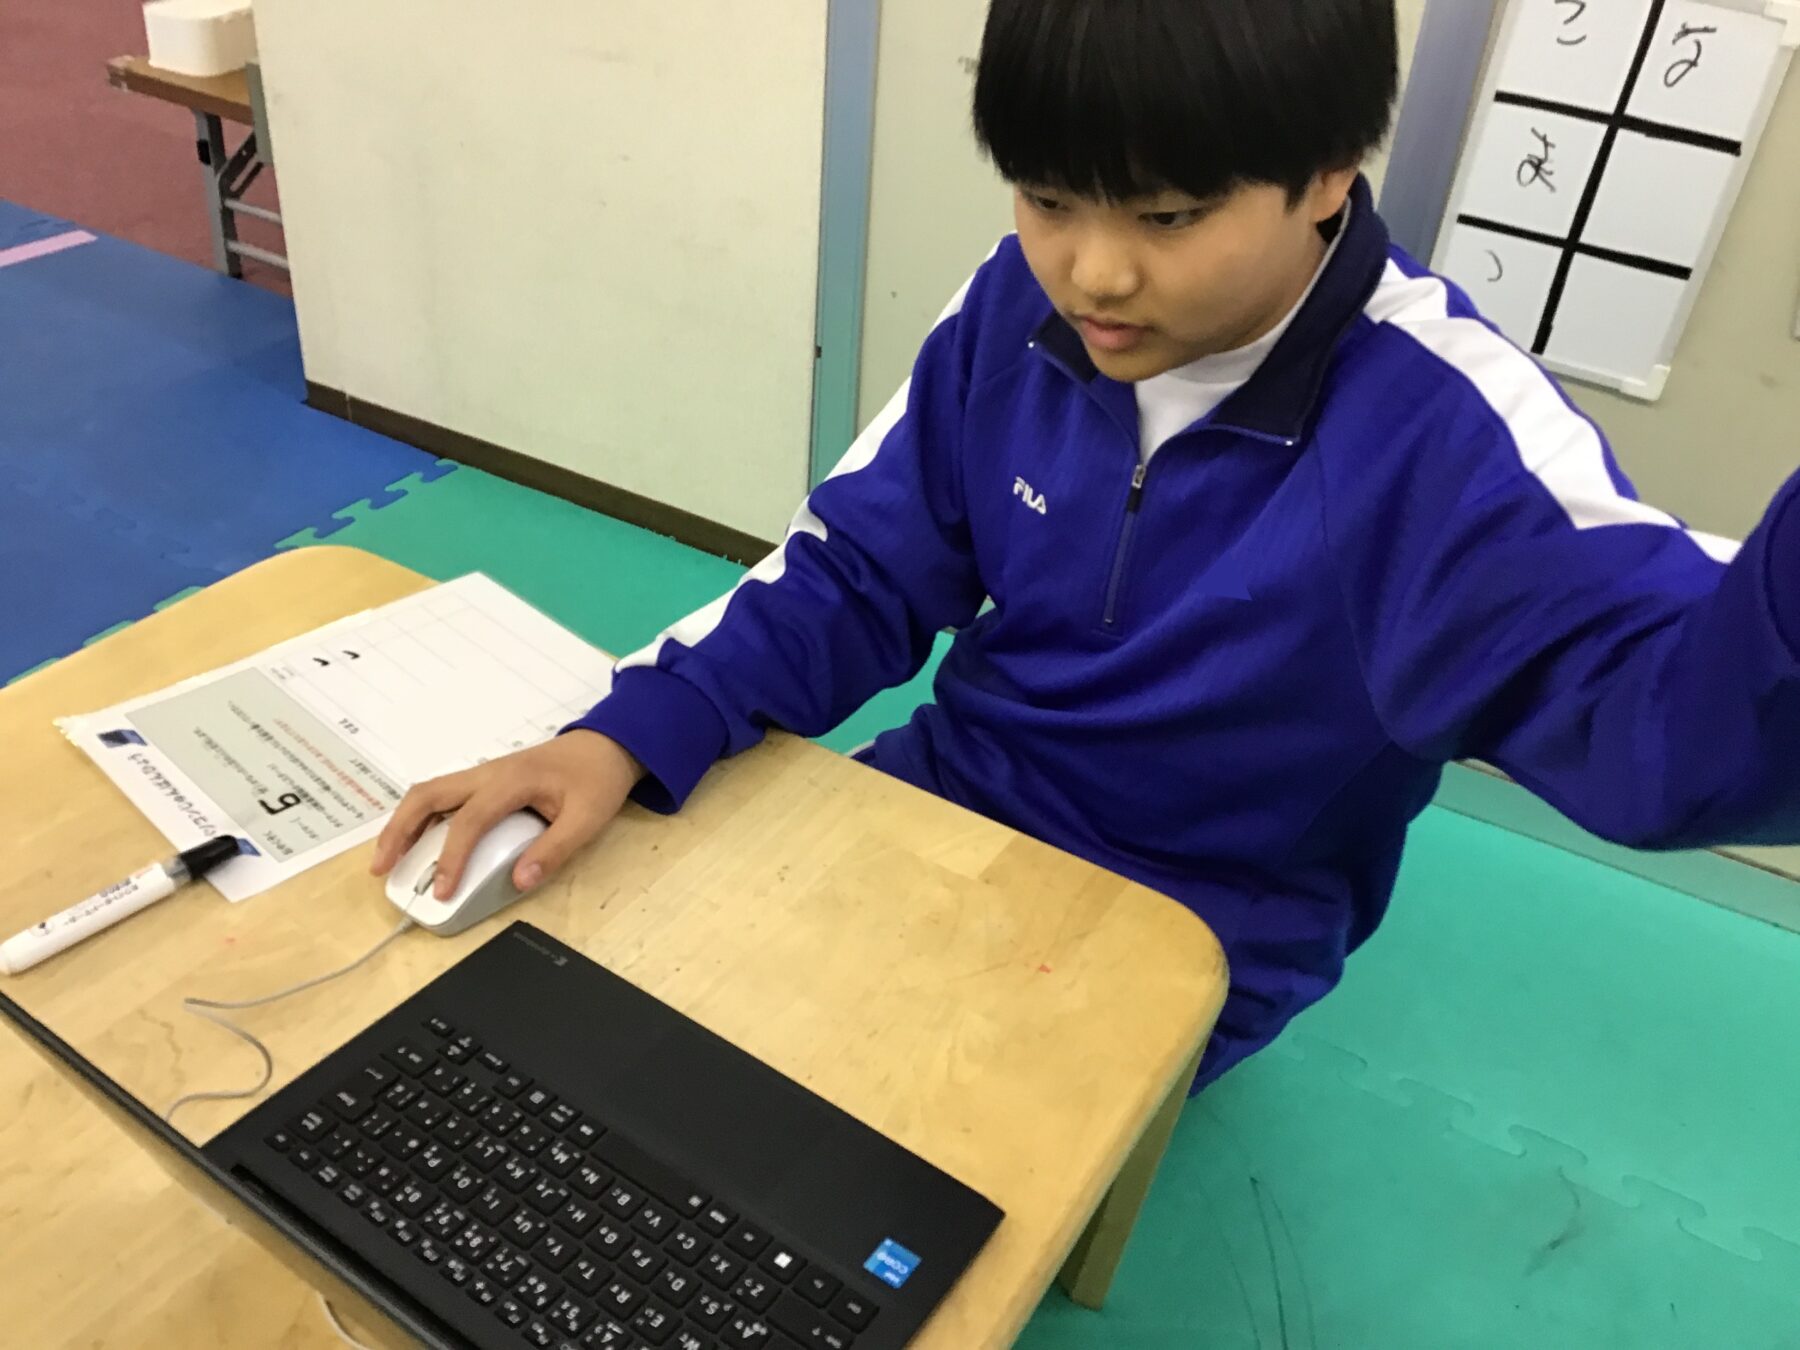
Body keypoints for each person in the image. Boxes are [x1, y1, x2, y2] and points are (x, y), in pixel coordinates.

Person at [374, 0, 1800, 1089]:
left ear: (1325, 175)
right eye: (1050, 198)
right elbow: (858, 568)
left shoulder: (1447, 440)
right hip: (940, 804)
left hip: (1191, 931)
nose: (1095, 273)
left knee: (845, 1198)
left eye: (1168, 216)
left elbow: (1671, 734)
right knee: (587, 1030)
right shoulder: (1020, 304)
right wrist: (628, 732)